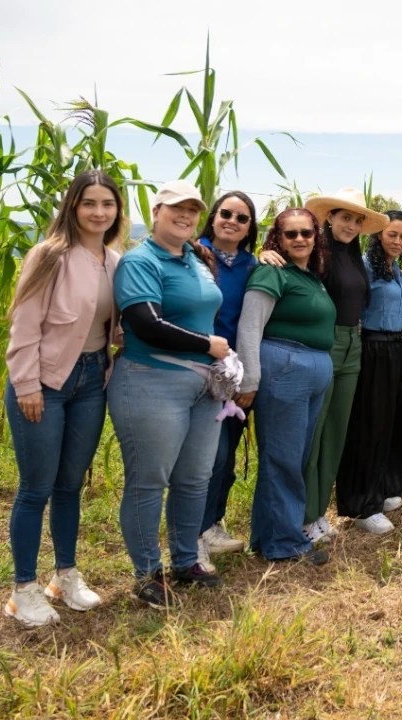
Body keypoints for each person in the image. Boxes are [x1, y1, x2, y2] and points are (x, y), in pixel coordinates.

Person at [2, 170, 123, 627]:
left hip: (92, 380)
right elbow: (24, 327)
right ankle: (23, 589)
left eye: (107, 204)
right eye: (89, 203)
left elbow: (108, 319)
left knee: (70, 485)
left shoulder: (114, 260)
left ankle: (65, 576)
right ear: (73, 206)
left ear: (116, 211)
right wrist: (28, 385)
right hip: (46, 382)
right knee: (35, 488)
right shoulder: (48, 255)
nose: (98, 212)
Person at [109, 180, 227, 607]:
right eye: (176, 208)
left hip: (204, 386)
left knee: (194, 479)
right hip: (151, 380)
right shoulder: (141, 260)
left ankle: (184, 561)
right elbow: (144, 321)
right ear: (156, 210)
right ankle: (146, 572)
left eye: (193, 210)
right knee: (148, 481)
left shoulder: (196, 258)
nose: (185, 215)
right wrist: (207, 345)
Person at [234, 208, 335, 564]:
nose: (299, 240)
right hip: (286, 367)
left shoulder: (309, 275)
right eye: (290, 234)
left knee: (292, 457)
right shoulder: (272, 271)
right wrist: (249, 379)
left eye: (306, 233)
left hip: (310, 371)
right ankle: (285, 542)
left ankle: (267, 537)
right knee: (283, 459)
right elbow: (249, 325)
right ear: (278, 237)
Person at [299, 188, 389, 542]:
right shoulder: (317, 254)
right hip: (324, 341)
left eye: (356, 220)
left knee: (336, 431)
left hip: (354, 343)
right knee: (315, 432)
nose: (350, 225)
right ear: (330, 219)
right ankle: (304, 515)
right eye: (345, 218)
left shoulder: (354, 257)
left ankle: (320, 512)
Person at [337, 210, 402, 533]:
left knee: (391, 422)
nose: (397, 241)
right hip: (372, 347)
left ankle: (383, 488)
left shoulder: (398, 269)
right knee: (369, 424)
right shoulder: (366, 267)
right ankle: (361, 505)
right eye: (392, 234)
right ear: (378, 235)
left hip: (397, 349)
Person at [195, 191, 259, 570]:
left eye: (242, 217)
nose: (232, 221)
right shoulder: (194, 255)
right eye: (226, 213)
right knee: (207, 456)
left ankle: (213, 523)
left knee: (227, 454)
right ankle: (194, 532)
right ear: (214, 216)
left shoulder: (252, 265)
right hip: (199, 368)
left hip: (235, 373)